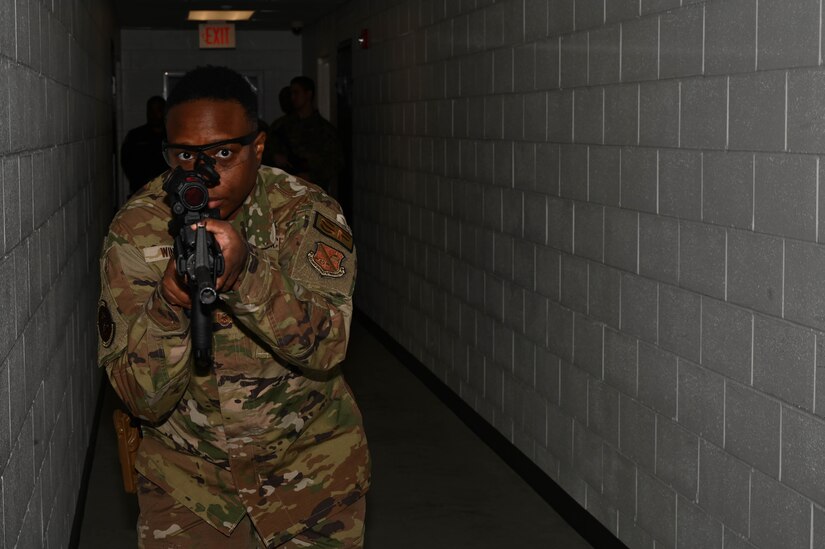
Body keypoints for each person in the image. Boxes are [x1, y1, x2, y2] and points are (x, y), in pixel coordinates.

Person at [97, 65, 369, 548]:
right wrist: (170, 302)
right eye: (185, 155)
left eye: (223, 153)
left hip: (309, 473)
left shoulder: (305, 211)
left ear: (258, 148)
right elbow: (139, 397)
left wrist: (248, 275)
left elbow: (328, 347)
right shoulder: (138, 228)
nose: (204, 174)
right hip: (189, 486)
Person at [263, 77, 344, 193]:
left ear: (308, 94)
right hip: (283, 191)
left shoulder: (324, 130)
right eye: (291, 93)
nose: (292, 97)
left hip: (313, 192)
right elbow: (262, 151)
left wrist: (311, 176)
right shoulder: (280, 126)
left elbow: (336, 162)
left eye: (296, 93)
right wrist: (274, 157)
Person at [121, 95, 169, 196]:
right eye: (151, 110)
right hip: (141, 192)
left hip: (167, 193)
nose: (154, 114)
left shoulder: (172, 137)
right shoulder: (135, 136)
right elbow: (127, 163)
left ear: (164, 112)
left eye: (158, 110)